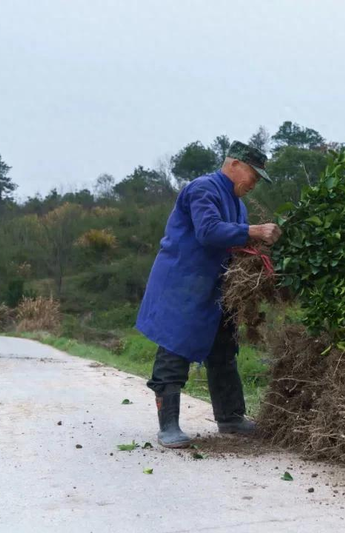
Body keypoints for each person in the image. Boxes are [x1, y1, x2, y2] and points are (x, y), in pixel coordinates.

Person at [136, 141, 281, 448]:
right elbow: (208, 231)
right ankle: (169, 427)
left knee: (223, 350)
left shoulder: (237, 204)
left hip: (215, 287)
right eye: (253, 175)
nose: (254, 184)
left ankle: (230, 418)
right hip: (183, 283)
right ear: (234, 165)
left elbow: (236, 243)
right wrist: (254, 231)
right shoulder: (203, 189)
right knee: (175, 348)